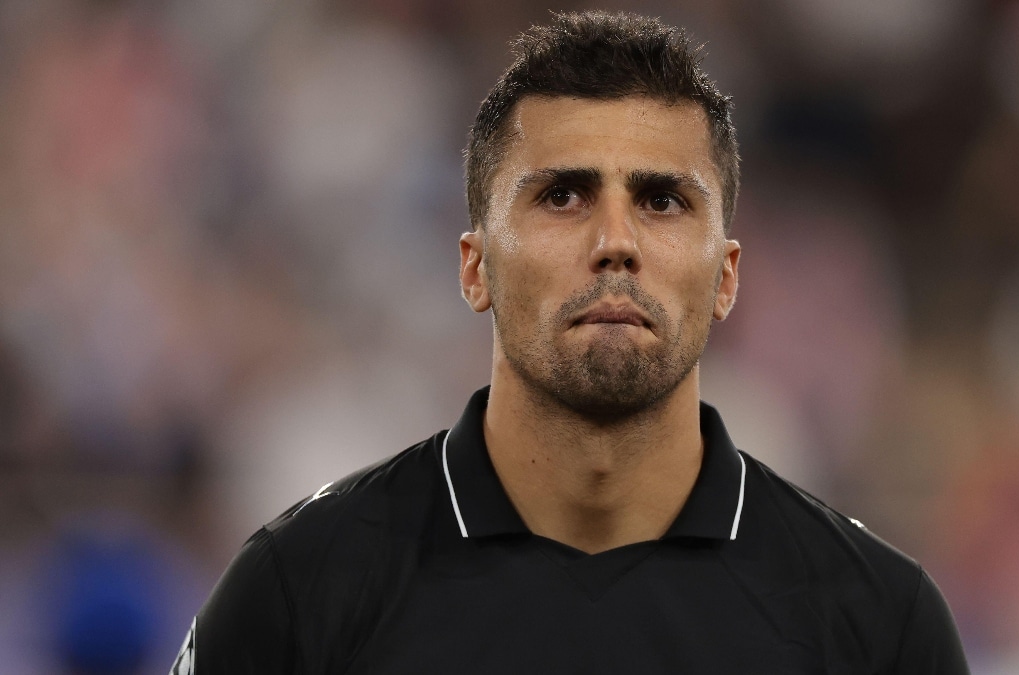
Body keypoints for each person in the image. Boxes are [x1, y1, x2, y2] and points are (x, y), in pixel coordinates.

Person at [172, 10, 969, 674]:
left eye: (661, 200)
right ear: (475, 267)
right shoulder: (300, 591)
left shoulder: (875, 622)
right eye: (562, 196)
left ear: (726, 277)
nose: (615, 242)